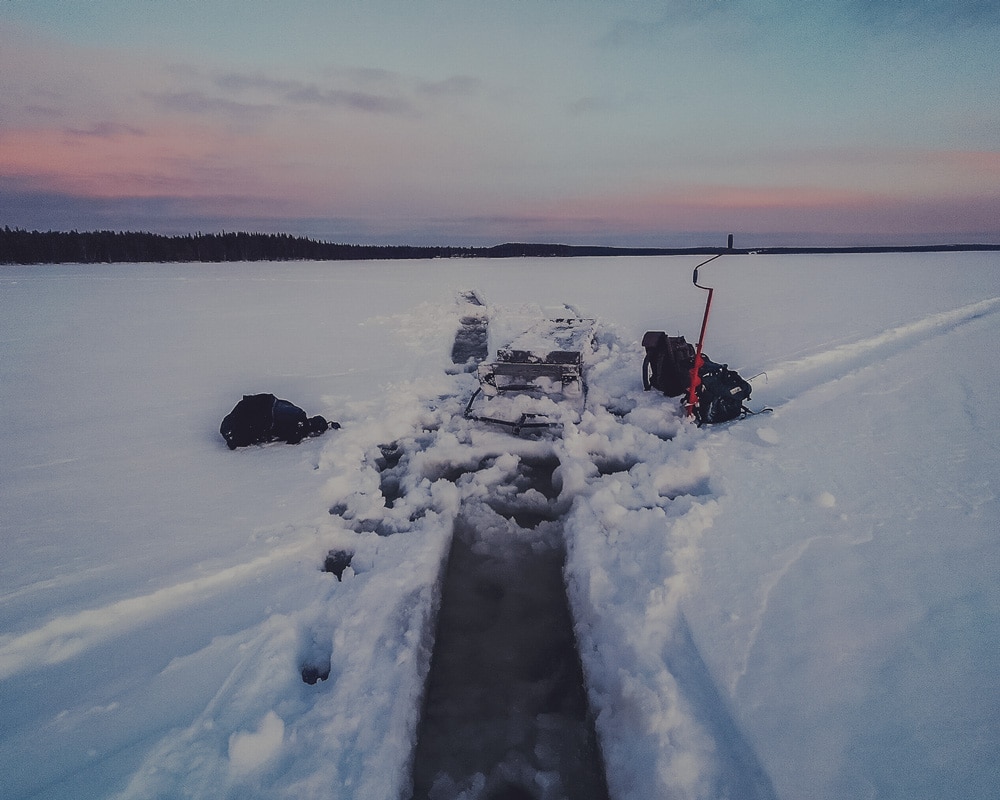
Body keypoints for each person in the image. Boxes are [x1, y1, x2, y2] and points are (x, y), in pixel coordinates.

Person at [220, 393, 339, 449]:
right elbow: (292, 437)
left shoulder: (298, 413)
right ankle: (232, 434)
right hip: (264, 412)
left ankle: (232, 434)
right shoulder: (300, 419)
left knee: (241, 433)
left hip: (264, 406)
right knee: (242, 434)